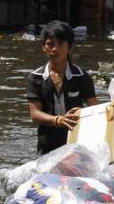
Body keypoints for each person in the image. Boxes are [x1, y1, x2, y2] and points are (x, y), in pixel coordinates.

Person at [26, 20, 98, 155]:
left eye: (60, 44)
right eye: (50, 44)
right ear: (43, 47)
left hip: (76, 146)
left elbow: (95, 110)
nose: (55, 49)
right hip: (47, 147)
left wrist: (83, 114)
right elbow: (35, 114)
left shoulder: (81, 77)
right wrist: (58, 120)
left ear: (69, 47)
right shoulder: (35, 78)